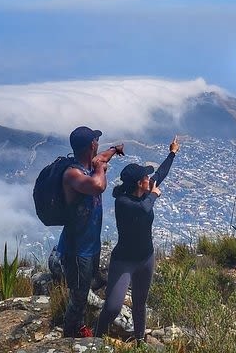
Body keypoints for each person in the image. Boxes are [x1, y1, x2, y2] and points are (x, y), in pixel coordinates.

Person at [95, 136, 180, 341]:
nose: (150, 179)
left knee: (140, 303)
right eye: (146, 177)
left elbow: (161, 173)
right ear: (138, 183)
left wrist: (173, 153)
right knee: (113, 306)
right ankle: (96, 336)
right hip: (124, 260)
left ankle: (140, 341)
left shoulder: (146, 188)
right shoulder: (123, 202)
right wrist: (154, 195)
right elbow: (142, 209)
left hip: (146, 258)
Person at [58, 126, 124, 338]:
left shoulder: (88, 164)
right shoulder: (72, 173)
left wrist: (114, 150)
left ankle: (79, 324)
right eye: (96, 141)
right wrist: (100, 169)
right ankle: (69, 337)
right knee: (78, 297)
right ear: (91, 146)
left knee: (87, 286)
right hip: (77, 249)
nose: (98, 145)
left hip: (90, 245)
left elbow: (102, 158)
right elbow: (98, 186)